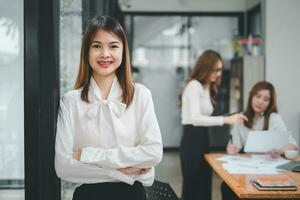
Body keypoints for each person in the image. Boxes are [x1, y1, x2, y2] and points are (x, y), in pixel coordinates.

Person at [54, 16, 163, 200]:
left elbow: (153, 153)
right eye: (97, 46)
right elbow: (63, 167)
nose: (105, 54)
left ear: (123, 51)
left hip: (132, 195)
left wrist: (88, 154)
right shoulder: (70, 102)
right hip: (88, 195)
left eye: (113, 46)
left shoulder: (141, 95)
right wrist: (122, 172)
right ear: (86, 51)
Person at [179, 49, 247, 200]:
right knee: (193, 186)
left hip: (203, 138)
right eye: (215, 69)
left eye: (220, 70)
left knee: (204, 184)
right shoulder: (194, 86)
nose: (218, 74)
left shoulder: (207, 86)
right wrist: (226, 120)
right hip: (192, 140)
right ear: (205, 67)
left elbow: (205, 118)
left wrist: (229, 117)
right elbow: (196, 119)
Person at [221, 81, 298, 200]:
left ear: (270, 103)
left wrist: (280, 150)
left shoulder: (274, 119)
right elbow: (233, 146)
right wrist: (232, 149)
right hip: (249, 169)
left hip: (272, 170)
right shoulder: (241, 118)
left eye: (266, 99)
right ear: (251, 96)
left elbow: (293, 145)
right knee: (226, 187)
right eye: (258, 96)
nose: (260, 101)